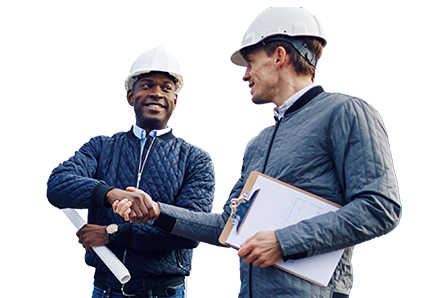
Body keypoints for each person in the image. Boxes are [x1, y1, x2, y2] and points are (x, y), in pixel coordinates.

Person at [114, 7, 401, 298]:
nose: (245, 75)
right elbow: (228, 226)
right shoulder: (259, 143)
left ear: (279, 56)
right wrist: (158, 212)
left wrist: (283, 241)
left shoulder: (344, 112)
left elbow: (380, 207)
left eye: (250, 63)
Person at [46, 47, 215, 298]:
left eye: (166, 88)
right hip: (106, 289)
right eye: (147, 85)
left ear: (175, 101)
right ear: (130, 97)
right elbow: (57, 185)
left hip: (163, 291)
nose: (156, 93)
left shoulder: (196, 159)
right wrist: (110, 194)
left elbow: (190, 230)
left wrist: (112, 234)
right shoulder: (101, 147)